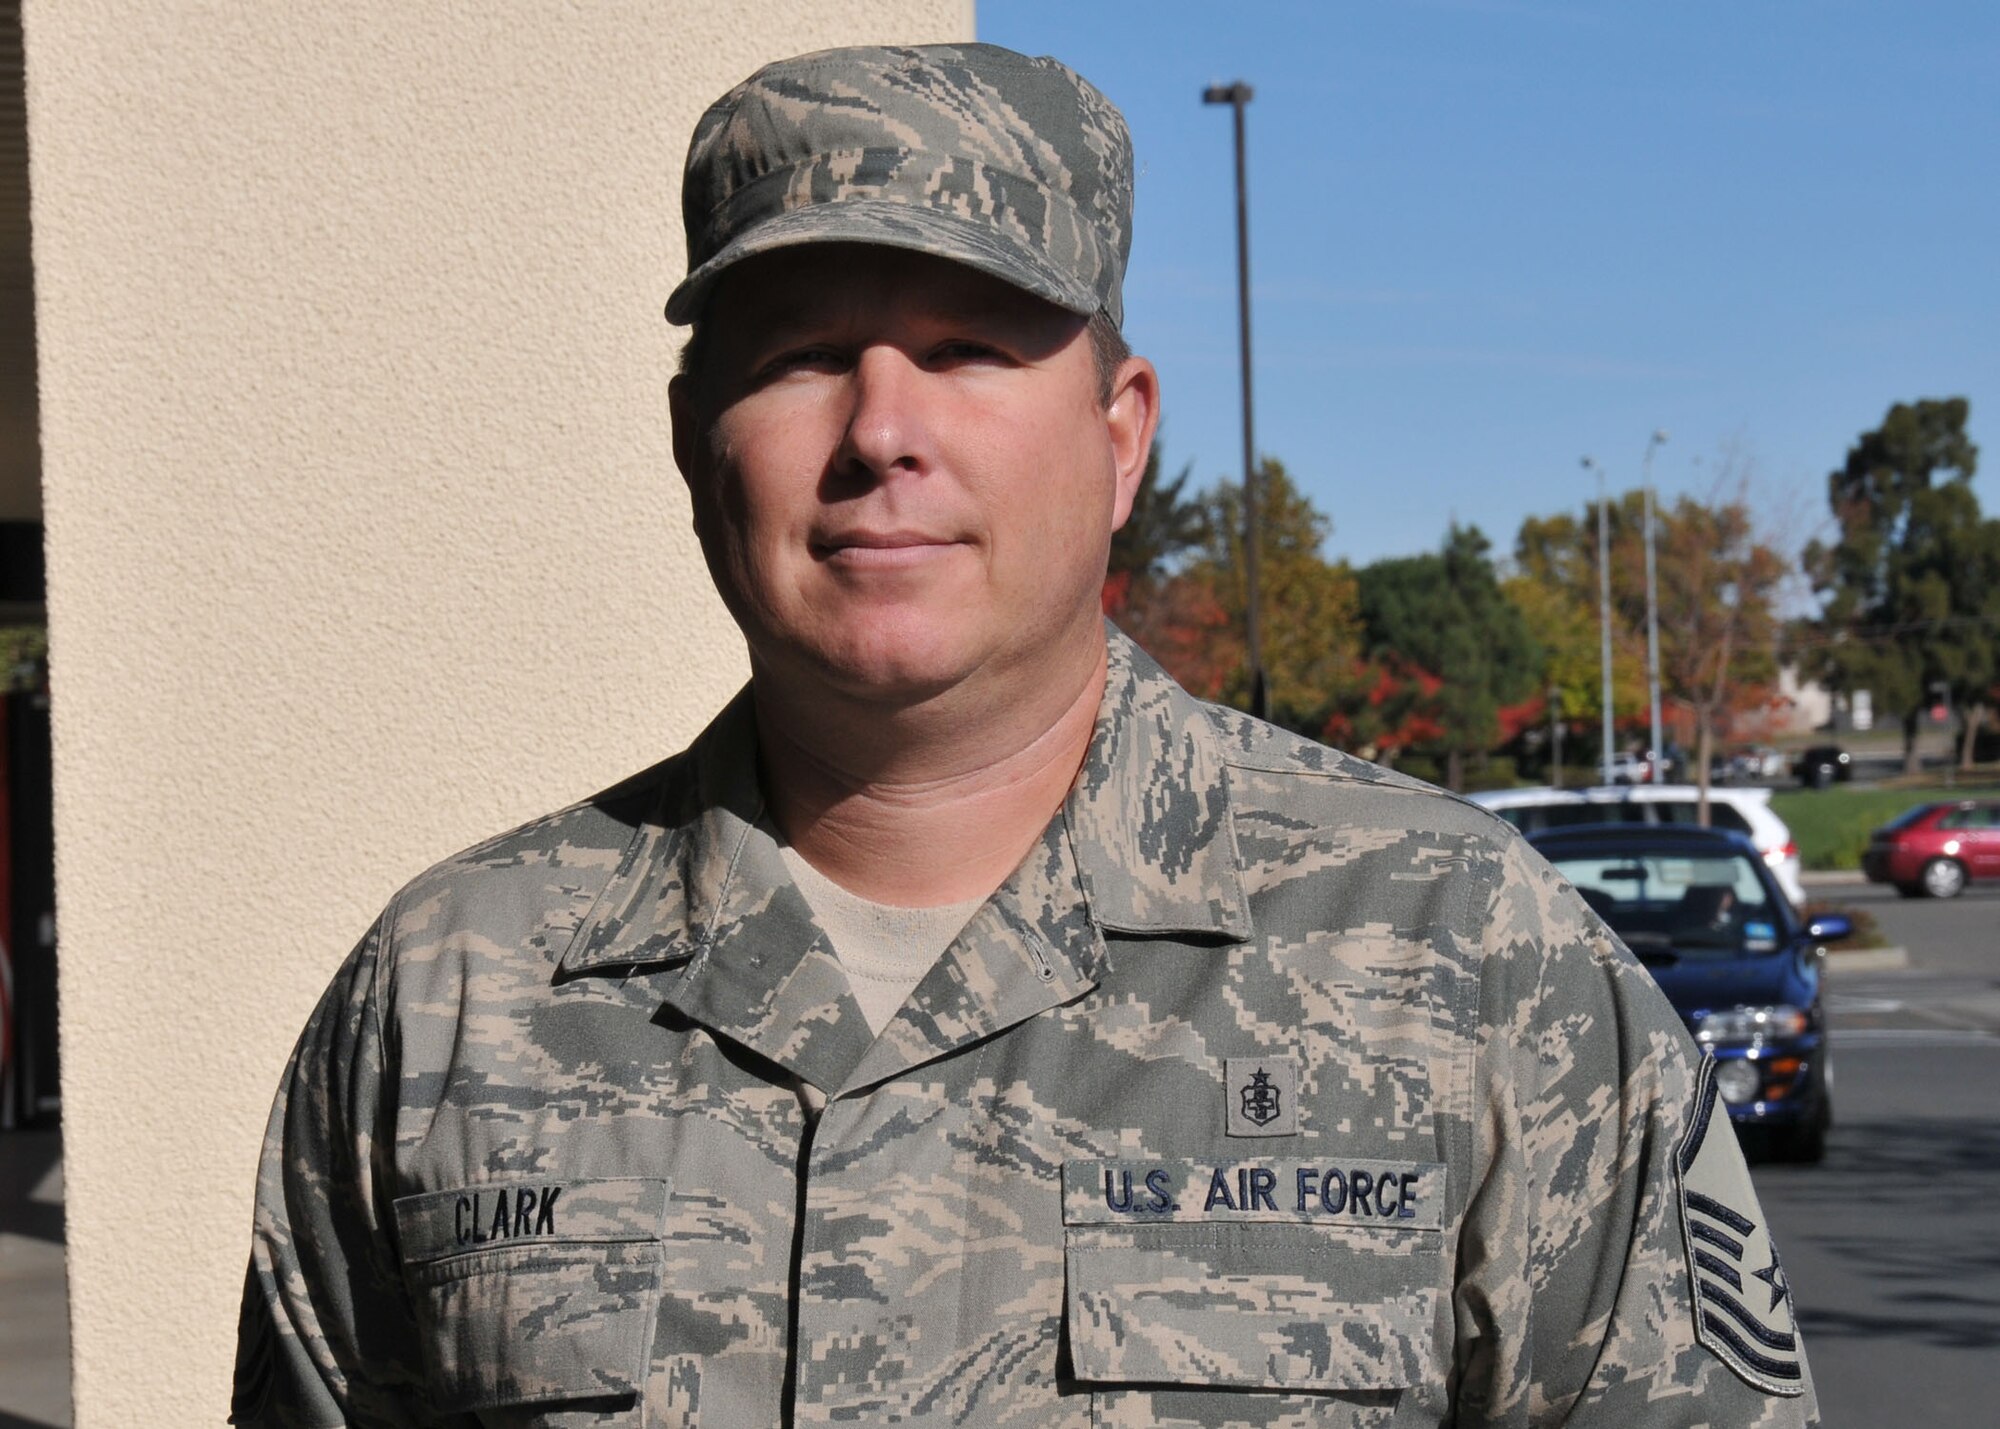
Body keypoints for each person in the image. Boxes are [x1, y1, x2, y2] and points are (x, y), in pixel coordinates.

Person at [232, 42, 1817, 1427]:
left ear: (1120, 434)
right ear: (688, 439)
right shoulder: (452, 997)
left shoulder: (1464, 964)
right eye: (797, 355)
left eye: (972, 347)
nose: (880, 430)